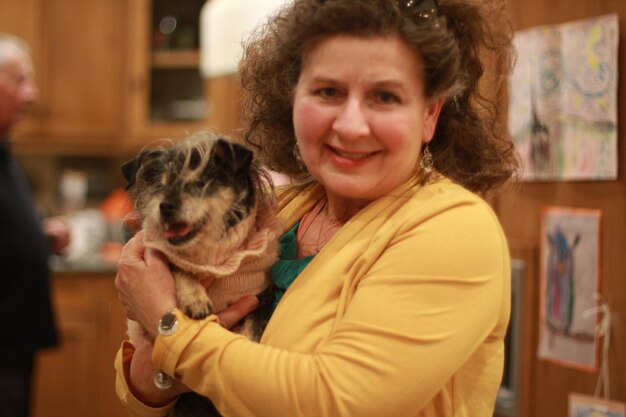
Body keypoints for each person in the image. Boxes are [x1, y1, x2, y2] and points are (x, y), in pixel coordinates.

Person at [114, 0, 519, 416]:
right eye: (328, 91)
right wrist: (163, 369)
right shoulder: (279, 211)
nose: (350, 125)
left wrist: (166, 322)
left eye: (384, 96)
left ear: (430, 113)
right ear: (293, 99)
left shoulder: (453, 228)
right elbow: (143, 386)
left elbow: (334, 402)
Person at [0, 34, 71, 417]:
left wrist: (39, 234)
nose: (32, 94)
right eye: (20, 80)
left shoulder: (4, 148)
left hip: (14, 344)